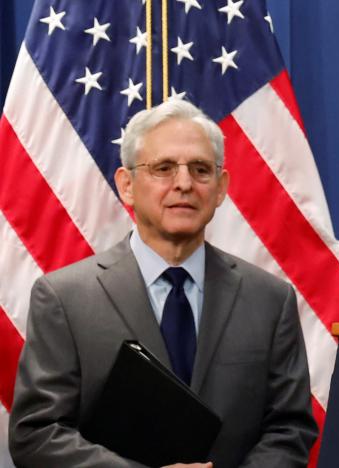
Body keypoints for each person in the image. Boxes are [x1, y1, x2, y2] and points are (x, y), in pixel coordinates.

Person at [9, 100, 317, 467]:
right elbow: (37, 433)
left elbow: (290, 429)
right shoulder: (65, 298)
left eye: (201, 170)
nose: (184, 183)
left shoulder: (270, 300)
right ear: (127, 185)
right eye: (164, 168)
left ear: (220, 188)